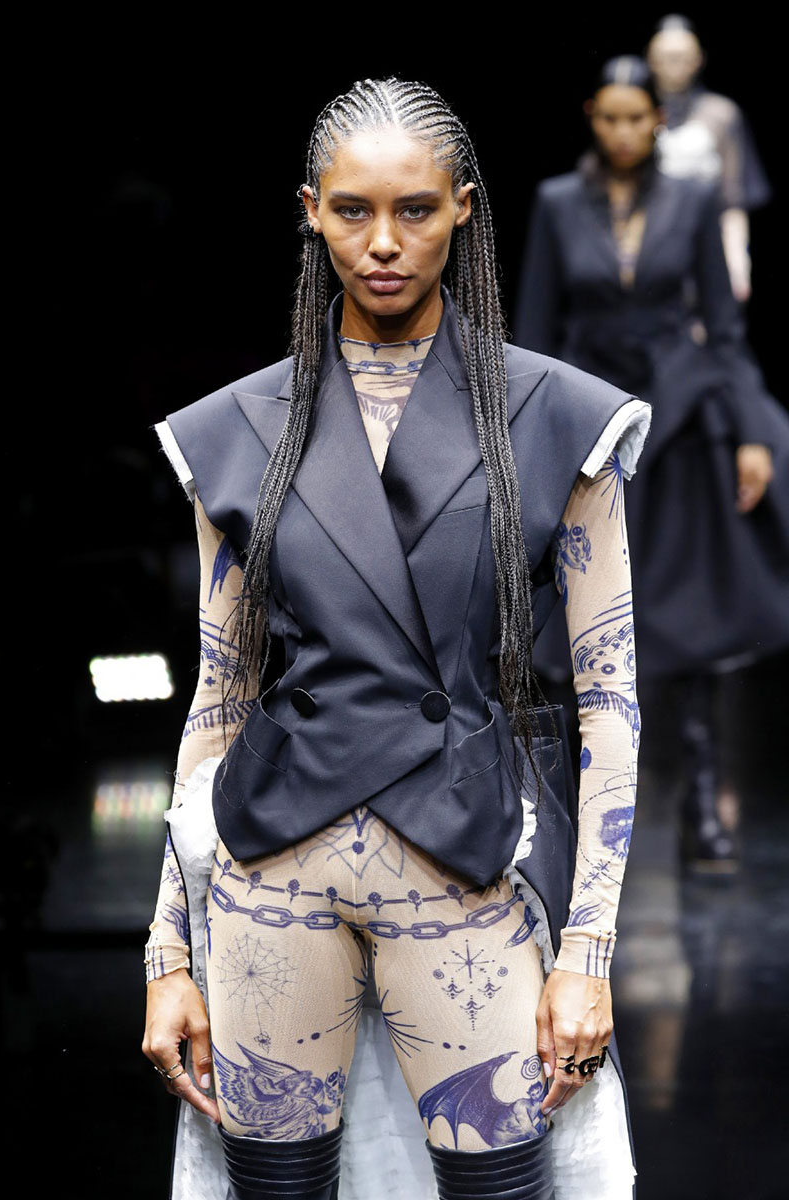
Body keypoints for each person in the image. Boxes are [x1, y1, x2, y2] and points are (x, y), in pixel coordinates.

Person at [142, 77, 651, 1200]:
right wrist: (167, 951)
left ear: (463, 207)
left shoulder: (557, 417)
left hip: (461, 860)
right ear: (309, 212)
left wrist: (588, 952)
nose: (382, 242)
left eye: (415, 209)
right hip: (272, 874)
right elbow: (217, 702)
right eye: (352, 210)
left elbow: (610, 705)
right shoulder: (239, 429)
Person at [514, 57, 789, 874]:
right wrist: (530, 438)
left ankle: (701, 807)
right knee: (574, 618)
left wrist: (748, 430)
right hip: (592, 423)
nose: (625, 132)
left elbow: (722, 327)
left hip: (678, 418)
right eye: (611, 118)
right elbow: (536, 328)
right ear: (592, 116)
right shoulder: (557, 203)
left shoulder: (693, 199)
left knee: (690, 620)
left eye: (639, 118)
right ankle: (569, 814)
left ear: (658, 121)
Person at [646, 14, 772, 301]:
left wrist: (738, 260)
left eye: (682, 57)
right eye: (665, 57)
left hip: (705, 239)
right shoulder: (637, 117)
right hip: (650, 245)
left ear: (698, 60)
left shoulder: (721, 114)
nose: (674, 64)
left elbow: (733, 198)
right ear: (651, 60)